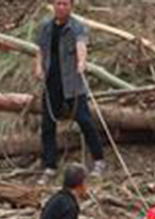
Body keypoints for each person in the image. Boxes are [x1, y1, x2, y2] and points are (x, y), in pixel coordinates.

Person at [34, 0, 105, 184]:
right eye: (58, 3)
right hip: (52, 82)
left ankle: (99, 160)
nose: (61, 7)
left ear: (71, 6)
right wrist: (38, 68)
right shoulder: (45, 27)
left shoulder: (77, 27)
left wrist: (81, 63)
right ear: (53, 6)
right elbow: (40, 50)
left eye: (65, 4)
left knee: (84, 120)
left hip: (72, 81)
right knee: (48, 125)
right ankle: (50, 166)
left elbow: (81, 46)